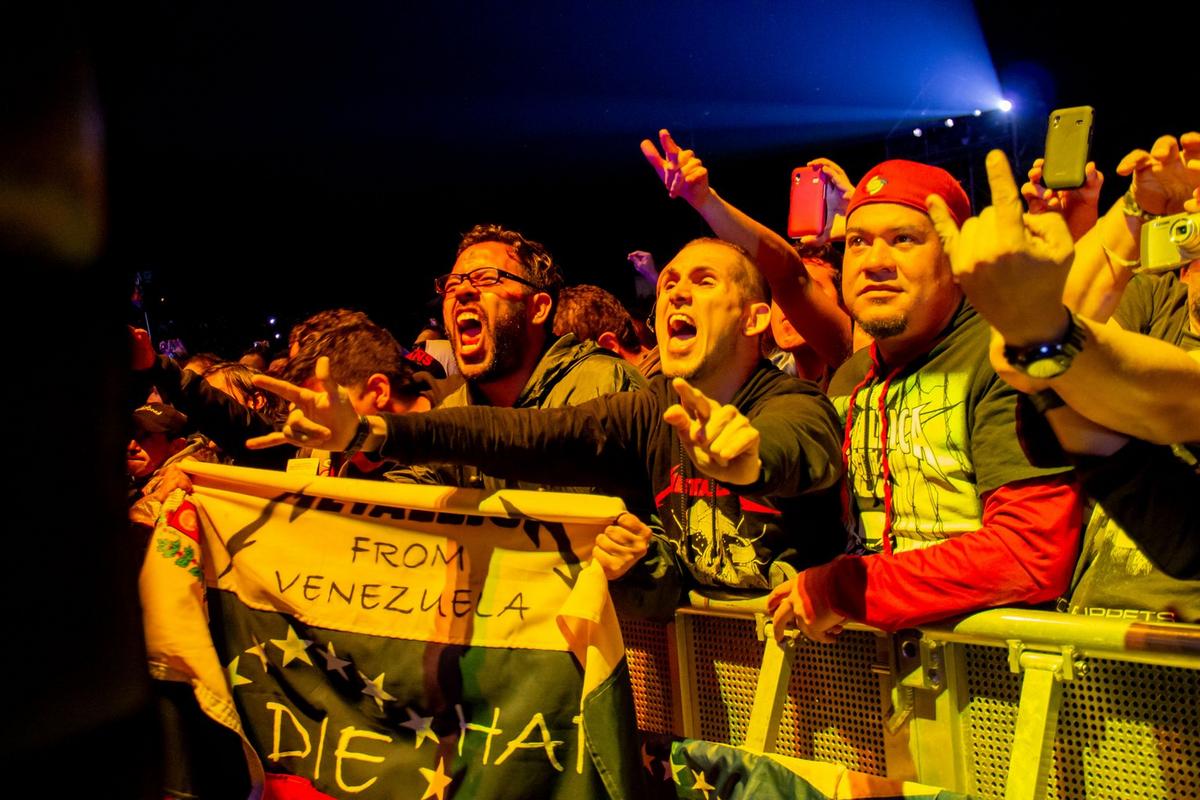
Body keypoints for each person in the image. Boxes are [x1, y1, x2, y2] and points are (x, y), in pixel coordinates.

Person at [249, 238, 845, 605]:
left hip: (824, 680)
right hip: (704, 673)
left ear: (754, 319)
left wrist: (750, 458)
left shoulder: (795, 402)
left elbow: (802, 450)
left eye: (702, 281)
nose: (676, 295)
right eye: (668, 284)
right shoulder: (649, 409)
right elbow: (521, 434)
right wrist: (368, 432)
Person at [768, 158, 1083, 642]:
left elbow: (1030, 555)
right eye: (858, 241)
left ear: (955, 258)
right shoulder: (849, 377)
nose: (875, 261)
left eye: (904, 239)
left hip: (991, 671)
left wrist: (842, 589)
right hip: (866, 664)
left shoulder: (1003, 355)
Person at [392, 223, 645, 491]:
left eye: (487, 278)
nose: (462, 290)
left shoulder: (608, 384)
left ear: (538, 308)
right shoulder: (454, 410)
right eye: (452, 284)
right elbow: (402, 490)